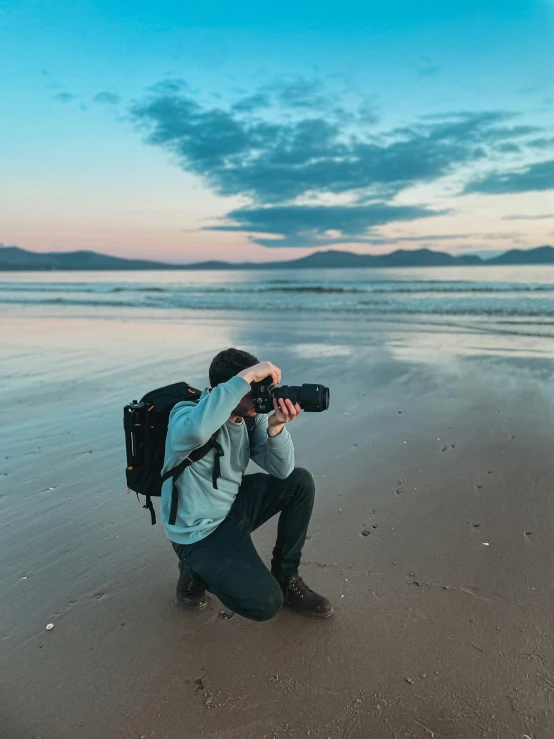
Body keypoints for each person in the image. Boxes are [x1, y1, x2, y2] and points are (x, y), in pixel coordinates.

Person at [160, 348, 333, 621]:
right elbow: (195, 431)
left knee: (300, 482)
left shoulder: (251, 417)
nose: (260, 396)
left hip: (230, 506)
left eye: (263, 388)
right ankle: (194, 571)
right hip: (197, 532)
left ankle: (287, 579)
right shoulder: (187, 413)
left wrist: (276, 428)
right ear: (228, 388)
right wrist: (247, 376)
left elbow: (282, 470)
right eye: (252, 388)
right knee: (265, 604)